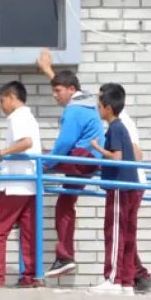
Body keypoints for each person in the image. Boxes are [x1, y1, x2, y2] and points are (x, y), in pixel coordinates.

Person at [37, 49, 105, 279]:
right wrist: (48, 71)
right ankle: (65, 256)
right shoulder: (86, 102)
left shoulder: (74, 110)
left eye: (57, 91)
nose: (55, 95)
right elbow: (66, 85)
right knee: (65, 205)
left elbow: (64, 143)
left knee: (32, 164)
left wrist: (46, 165)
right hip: (87, 161)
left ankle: (22, 217)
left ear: (71, 90)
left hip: (81, 159)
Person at [0, 81, 43, 289]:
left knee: (0, 232)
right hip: (31, 183)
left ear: (11, 97)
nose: (2, 106)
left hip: (15, 182)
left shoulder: (16, 116)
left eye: (2, 101)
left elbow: (26, 142)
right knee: (28, 232)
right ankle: (30, 276)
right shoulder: (30, 116)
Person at [91, 84, 140, 294]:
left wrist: (97, 148)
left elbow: (117, 157)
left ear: (108, 108)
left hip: (119, 186)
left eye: (99, 105)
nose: (97, 108)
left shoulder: (114, 128)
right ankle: (127, 281)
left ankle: (112, 279)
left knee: (115, 233)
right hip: (129, 185)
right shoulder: (122, 127)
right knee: (127, 234)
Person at [107, 83, 151, 294]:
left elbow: (136, 154)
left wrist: (109, 157)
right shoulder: (117, 122)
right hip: (130, 183)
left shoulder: (122, 123)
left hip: (130, 185)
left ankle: (135, 276)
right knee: (124, 232)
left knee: (122, 232)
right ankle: (132, 277)